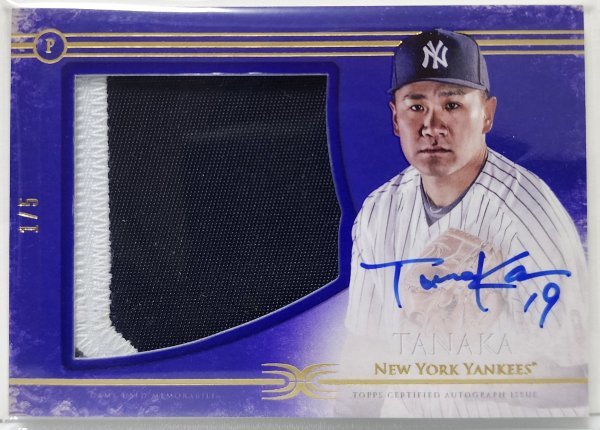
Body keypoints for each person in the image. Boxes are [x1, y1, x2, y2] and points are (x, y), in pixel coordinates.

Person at [340, 29, 587, 417]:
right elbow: (362, 355)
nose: (431, 125)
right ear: (395, 117)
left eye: (452, 104)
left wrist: (459, 362)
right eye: (416, 106)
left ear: (487, 114)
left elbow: (579, 381)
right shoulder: (378, 210)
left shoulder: (526, 213)